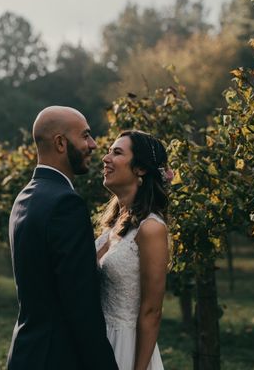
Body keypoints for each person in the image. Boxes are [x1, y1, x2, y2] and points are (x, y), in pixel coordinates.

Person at [7, 106, 118, 370]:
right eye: (85, 136)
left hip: (26, 353)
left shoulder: (25, 197)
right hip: (57, 357)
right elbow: (80, 305)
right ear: (60, 143)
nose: (93, 145)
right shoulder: (66, 203)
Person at [96, 130, 172, 370]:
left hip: (126, 347)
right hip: (100, 341)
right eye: (108, 152)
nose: (106, 159)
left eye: (116, 152)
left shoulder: (151, 229)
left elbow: (152, 311)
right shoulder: (114, 224)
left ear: (140, 169)